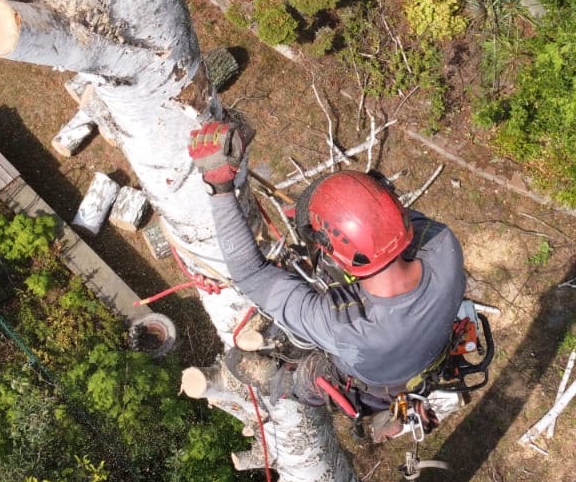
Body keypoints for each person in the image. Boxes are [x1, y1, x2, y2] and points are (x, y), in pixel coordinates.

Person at [189, 120, 467, 430]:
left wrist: (219, 188)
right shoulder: (444, 245)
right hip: (431, 351)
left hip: (372, 388)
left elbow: (250, 273)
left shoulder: (345, 327)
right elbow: (383, 220)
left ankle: (278, 382)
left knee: (309, 378)